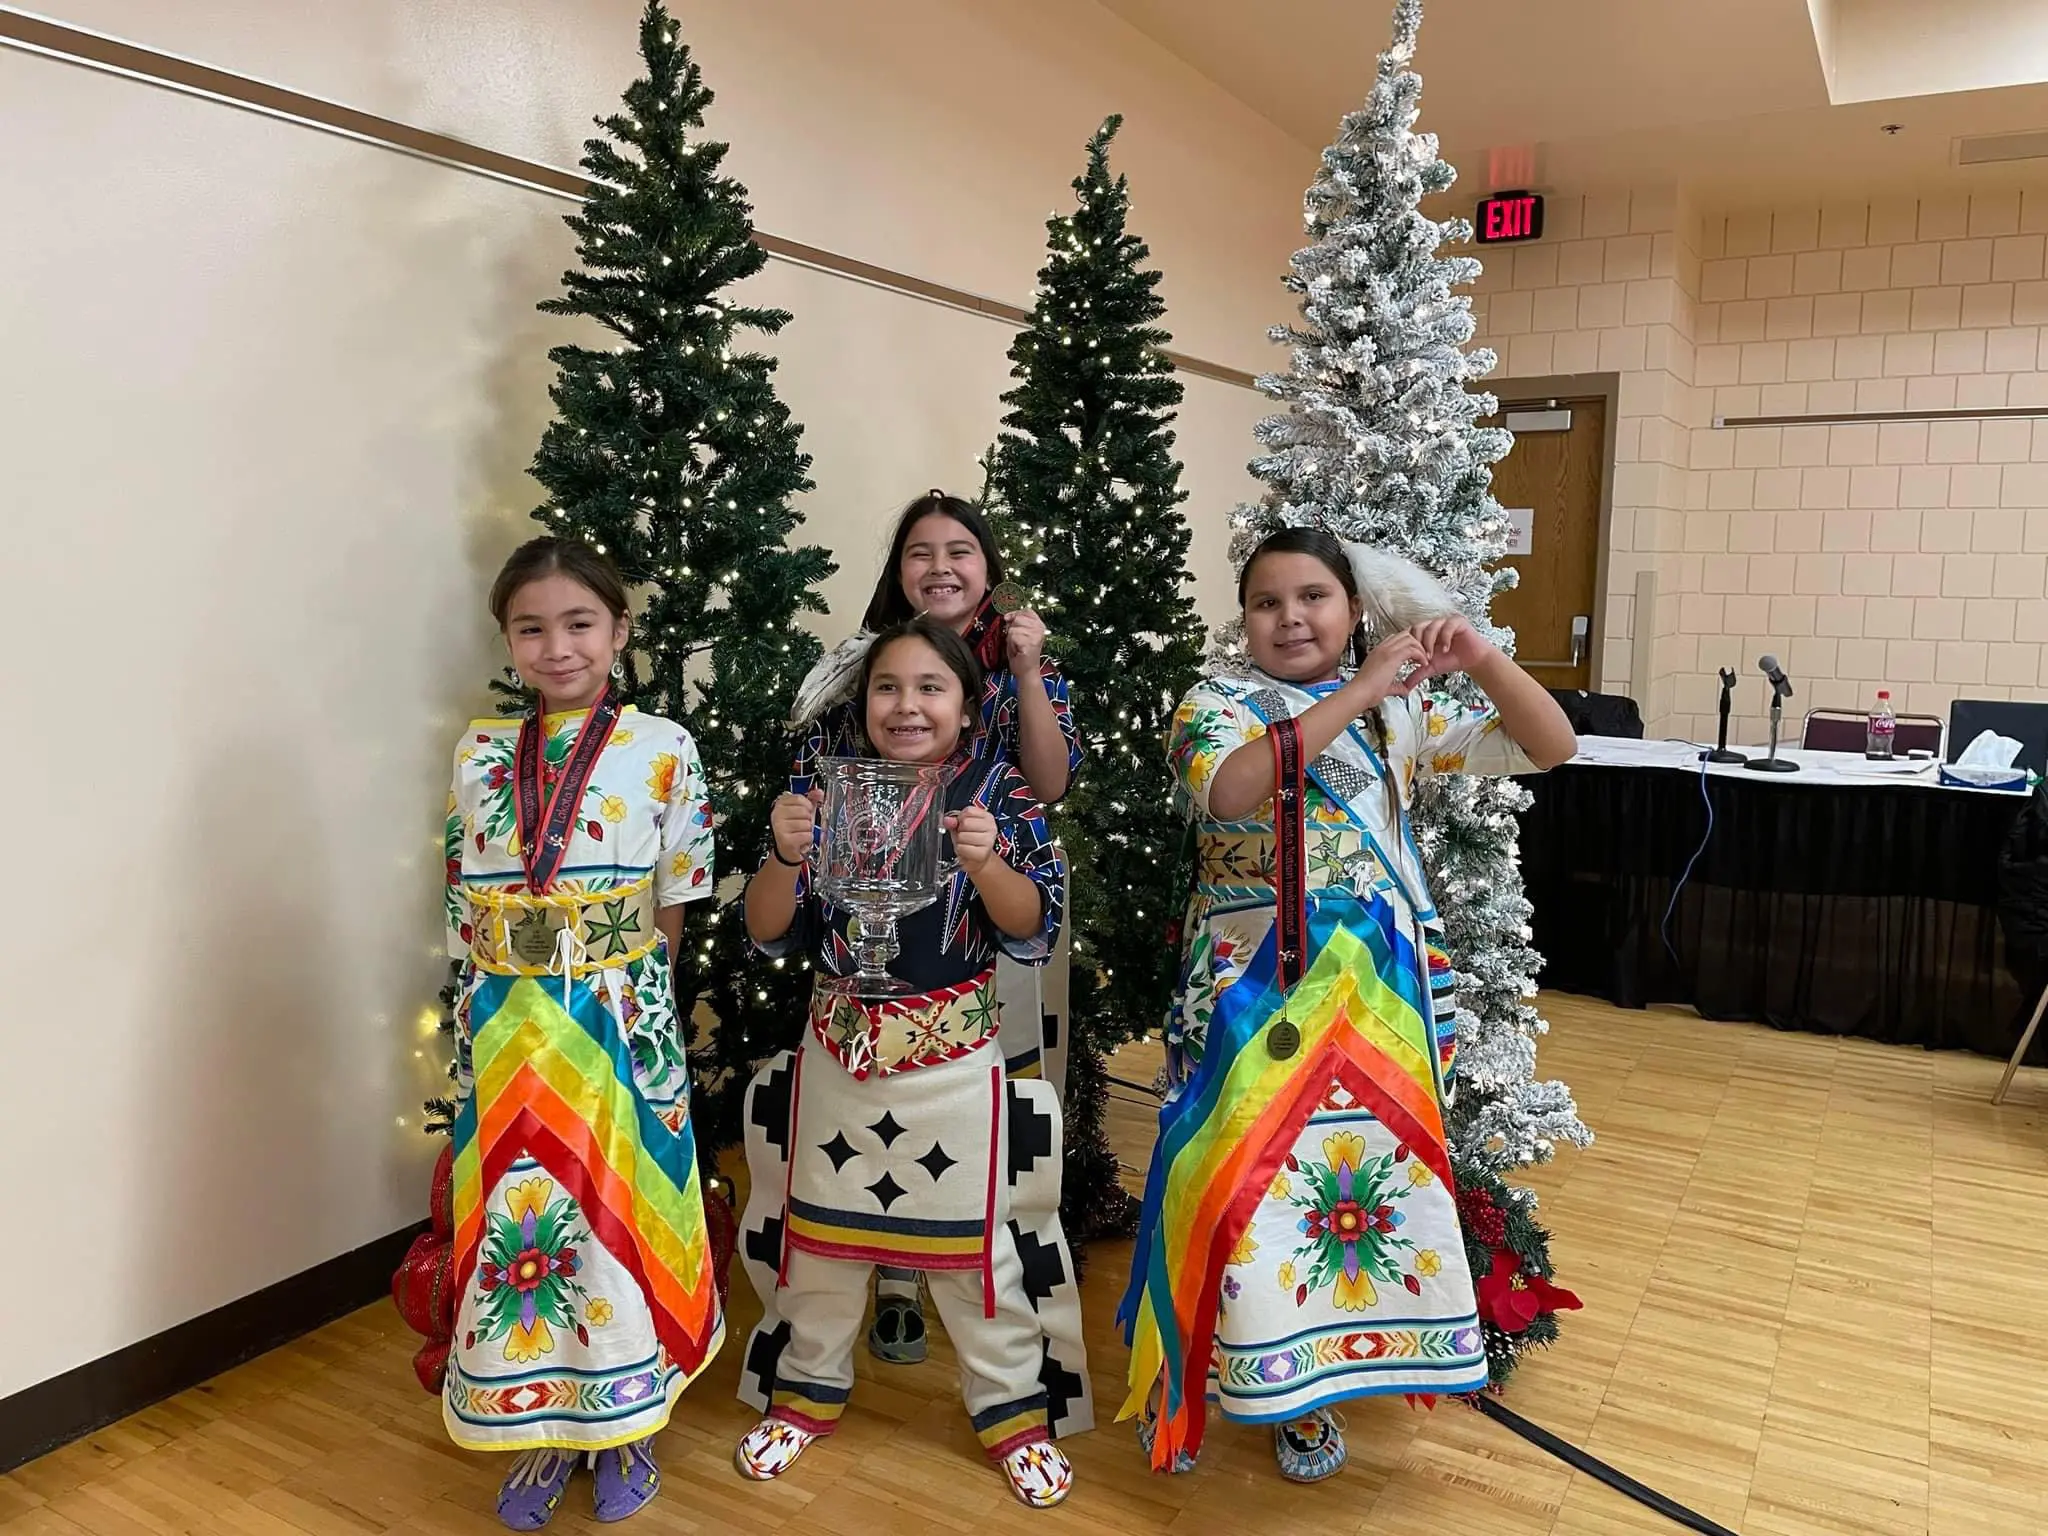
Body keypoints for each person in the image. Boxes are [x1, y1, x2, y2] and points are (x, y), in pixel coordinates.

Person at [1117, 526, 1575, 1483]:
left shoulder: (1402, 714)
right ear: (1244, 618)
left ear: (1354, 608)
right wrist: (1362, 689)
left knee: (1336, 1193)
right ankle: (1186, 1366)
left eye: (1313, 597)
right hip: (1247, 992)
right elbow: (1233, 792)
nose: (1290, 618)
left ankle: (1306, 1390)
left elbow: (1550, 744)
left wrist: (1479, 654)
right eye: (1267, 602)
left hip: (1376, 1000)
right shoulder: (1214, 704)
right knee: (1226, 1183)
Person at [735, 616, 1078, 1510]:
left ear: (967, 706)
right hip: (836, 1054)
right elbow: (768, 929)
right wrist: (783, 854)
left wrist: (988, 864)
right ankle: (805, 1390)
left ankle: (1011, 1408)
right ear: (863, 703)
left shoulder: (999, 789)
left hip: (952, 1061)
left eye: (932, 687)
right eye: (888, 686)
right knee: (819, 1242)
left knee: (975, 1251)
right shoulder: (826, 789)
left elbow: (1030, 926)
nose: (907, 705)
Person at [441, 537, 724, 1529]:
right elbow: (461, 897)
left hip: (616, 1022)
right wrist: (475, 1023)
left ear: (619, 630)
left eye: (579, 623)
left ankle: (624, 1423)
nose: (556, 647)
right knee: (524, 1221)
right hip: (508, 1028)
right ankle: (541, 1429)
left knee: (614, 1214)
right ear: (507, 640)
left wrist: (647, 1009)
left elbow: (677, 894)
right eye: (531, 628)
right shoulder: (479, 754)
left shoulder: (662, 747)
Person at [785, 489, 1083, 1364]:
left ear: (989, 569)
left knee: (976, 1100)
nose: (941, 567)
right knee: (865, 1099)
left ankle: (980, 1274)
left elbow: (1050, 783)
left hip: (989, 895)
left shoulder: (1024, 663)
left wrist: (1026, 671)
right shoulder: (860, 669)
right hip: (875, 921)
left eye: (961, 551)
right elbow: (818, 782)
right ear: (898, 570)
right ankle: (894, 1281)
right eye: (920, 551)